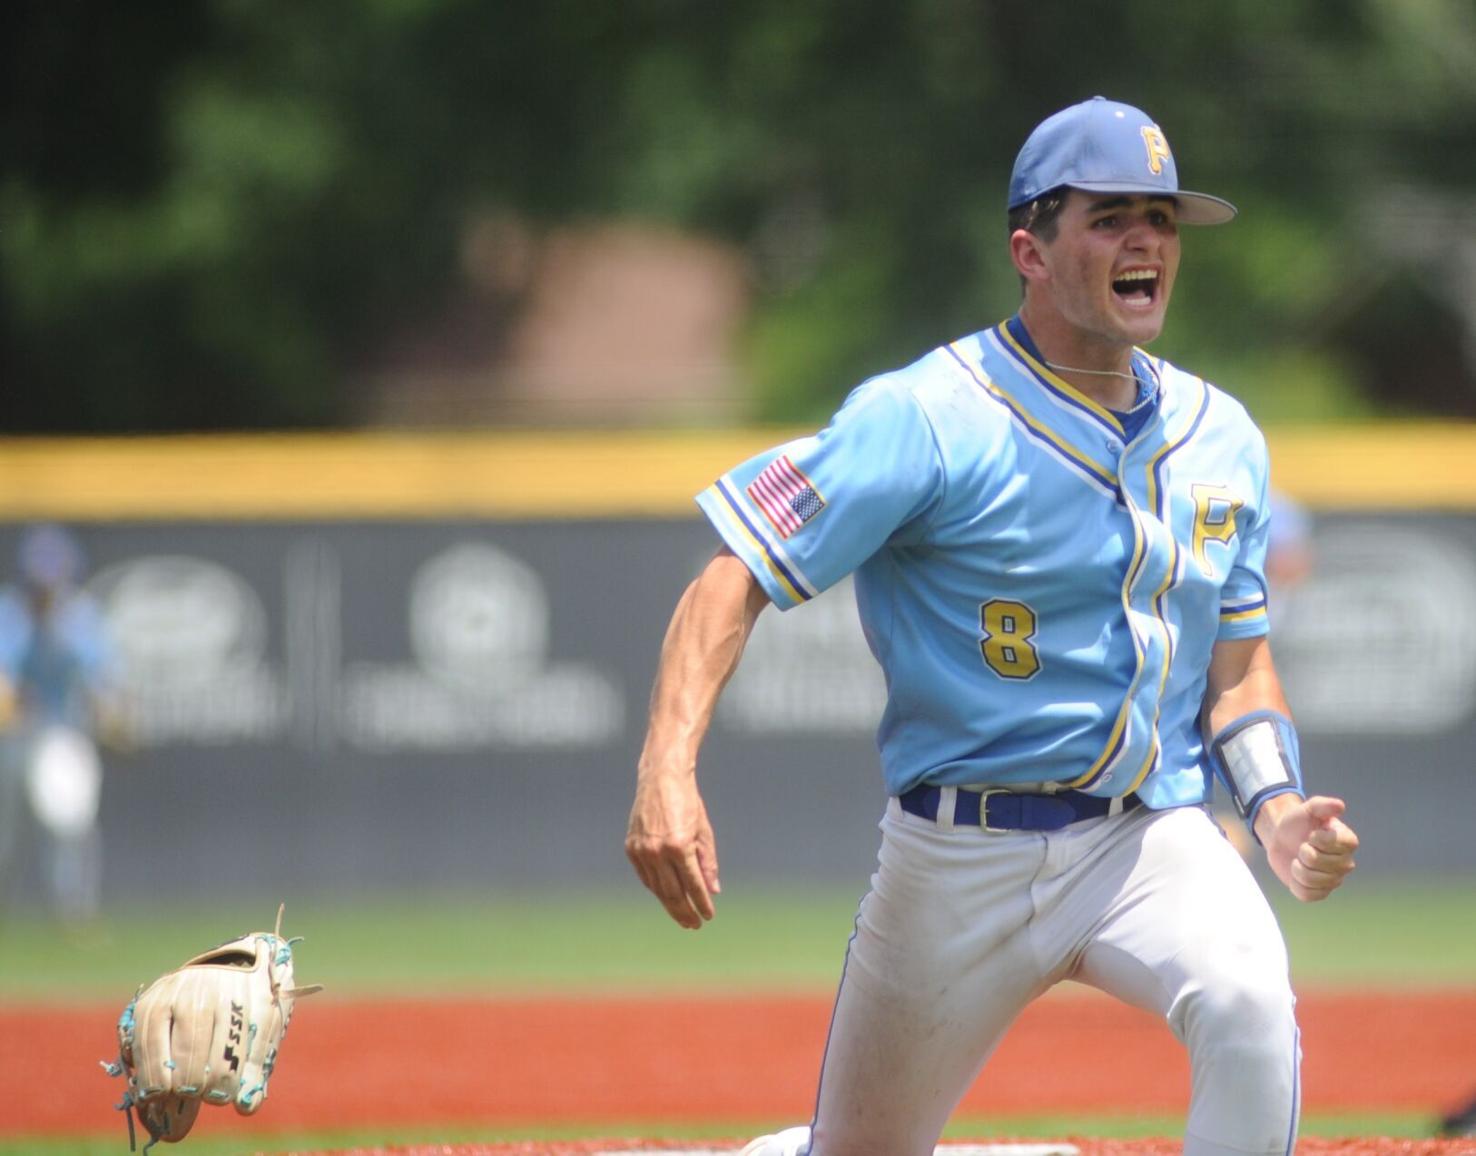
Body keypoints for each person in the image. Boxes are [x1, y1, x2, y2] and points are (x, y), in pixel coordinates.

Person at [625, 96, 1359, 1156]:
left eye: (1160, 215)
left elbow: (1238, 674)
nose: (1147, 238)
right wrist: (667, 766)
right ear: (1030, 247)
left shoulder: (1223, 437)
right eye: (1109, 217)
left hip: (1142, 834)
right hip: (954, 855)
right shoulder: (927, 416)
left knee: (1249, 1004)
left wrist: (1280, 806)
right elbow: (730, 577)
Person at [0, 524, 122, 927]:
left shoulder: (79, 617)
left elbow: (101, 683)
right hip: (17, 736)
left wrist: (111, 716)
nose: (47, 589)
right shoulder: (12, 613)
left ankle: (75, 914)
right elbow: (4, 690)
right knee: (6, 833)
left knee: (75, 824)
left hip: (65, 732)